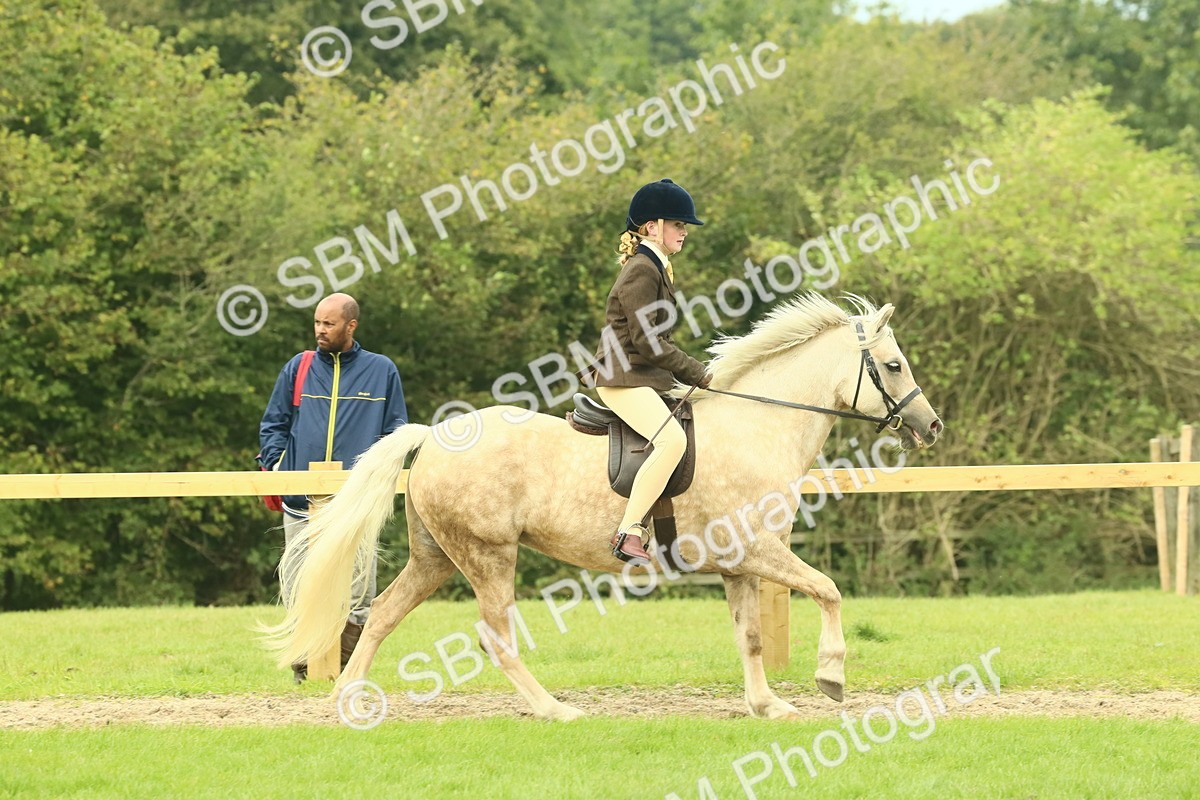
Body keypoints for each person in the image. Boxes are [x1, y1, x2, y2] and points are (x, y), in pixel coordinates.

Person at [257, 292, 407, 682]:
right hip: (300, 500)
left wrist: (377, 482)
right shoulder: (299, 367)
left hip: (355, 501)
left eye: (329, 324)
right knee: (298, 585)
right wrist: (276, 463)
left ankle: (343, 668)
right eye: (317, 323)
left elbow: (395, 431)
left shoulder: (382, 370)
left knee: (358, 590)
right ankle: (305, 669)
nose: (320, 331)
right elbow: (273, 423)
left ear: (351, 326)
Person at [589, 179, 712, 565]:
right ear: (651, 227)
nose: (684, 231)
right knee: (672, 441)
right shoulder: (642, 270)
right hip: (622, 377)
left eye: (684, 225)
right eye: (677, 224)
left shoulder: (655, 267)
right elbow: (648, 343)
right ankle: (628, 530)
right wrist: (698, 372)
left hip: (640, 376)